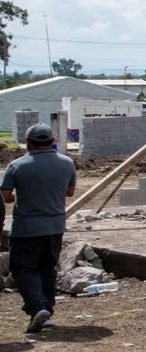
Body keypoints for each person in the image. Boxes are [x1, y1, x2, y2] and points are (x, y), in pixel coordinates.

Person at [1, 123, 76, 333]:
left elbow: (5, 196)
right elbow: (69, 192)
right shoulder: (67, 163)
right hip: (55, 226)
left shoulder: (17, 166)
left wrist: (23, 195)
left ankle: (37, 308)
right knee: (47, 269)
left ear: (28, 143)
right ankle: (47, 312)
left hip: (26, 228)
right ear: (52, 142)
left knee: (23, 269)